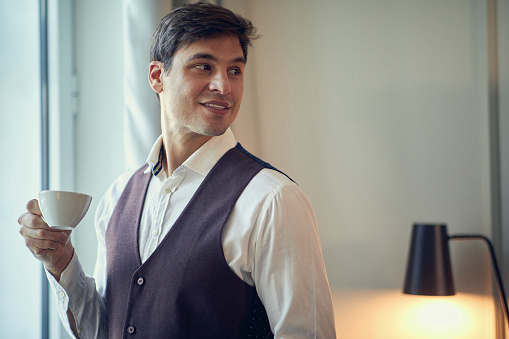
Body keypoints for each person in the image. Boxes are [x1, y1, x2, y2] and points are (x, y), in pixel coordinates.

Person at [18, 2, 336, 338]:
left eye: (234, 71)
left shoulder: (272, 200)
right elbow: (104, 330)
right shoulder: (117, 196)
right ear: (157, 77)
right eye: (203, 66)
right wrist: (62, 263)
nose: (223, 87)